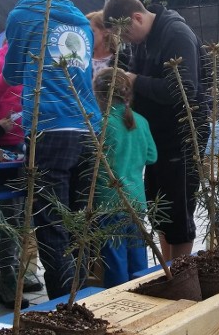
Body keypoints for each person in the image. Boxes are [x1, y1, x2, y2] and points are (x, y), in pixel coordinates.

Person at [3, 0, 102, 299]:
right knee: (81, 217)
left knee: (51, 222)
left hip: (50, 125)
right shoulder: (81, 21)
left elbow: (13, 71)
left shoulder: (24, 13)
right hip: (88, 125)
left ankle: (65, 306)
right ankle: (85, 297)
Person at [102, 0, 208, 261]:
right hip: (157, 135)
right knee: (158, 206)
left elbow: (184, 89)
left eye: (126, 33)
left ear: (138, 17)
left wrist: (136, 81)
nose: (127, 41)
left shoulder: (176, 33)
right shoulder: (144, 40)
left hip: (183, 135)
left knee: (179, 208)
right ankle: (168, 265)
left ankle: (181, 269)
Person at [0, 41, 42, 309]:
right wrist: (7, 76)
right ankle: (9, 278)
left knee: (30, 215)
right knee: (11, 216)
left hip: (39, 140)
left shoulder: (42, 55)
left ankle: (20, 272)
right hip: (7, 145)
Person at [92, 68, 157, 287]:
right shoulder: (141, 121)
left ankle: (118, 301)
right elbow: (152, 156)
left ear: (100, 95)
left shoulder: (101, 124)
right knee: (138, 255)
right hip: (136, 199)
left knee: (114, 260)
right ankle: (142, 296)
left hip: (109, 200)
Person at [87, 10, 130, 75]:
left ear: (106, 32)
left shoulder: (121, 60)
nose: (87, 35)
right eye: (86, 31)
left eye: (92, 31)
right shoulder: (82, 59)